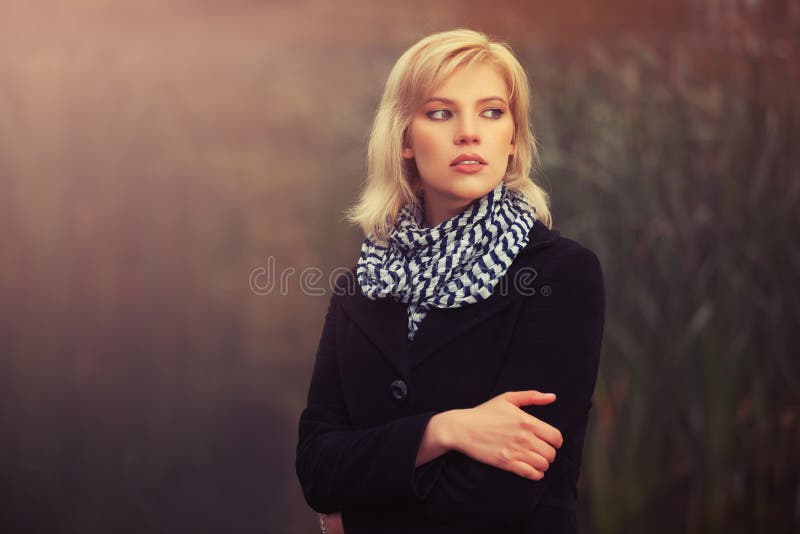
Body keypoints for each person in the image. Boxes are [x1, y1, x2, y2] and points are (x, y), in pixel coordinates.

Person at [295, 28, 605, 534]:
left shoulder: (561, 275)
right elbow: (317, 467)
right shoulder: (361, 288)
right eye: (441, 112)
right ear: (405, 140)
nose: (469, 132)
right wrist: (446, 430)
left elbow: (504, 494)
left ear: (513, 139)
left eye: (491, 111)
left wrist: (352, 521)